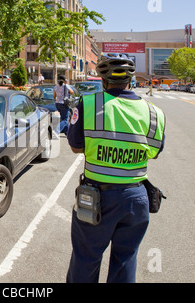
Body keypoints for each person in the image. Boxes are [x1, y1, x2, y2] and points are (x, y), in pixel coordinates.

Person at [66, 53, 166, 283]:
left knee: (85, 258)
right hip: (136, 198)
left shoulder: (89, 103)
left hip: (97, 197)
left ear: (103, 80)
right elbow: (155, 153)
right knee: (125, 260)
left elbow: (74, 147)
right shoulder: (154, 113)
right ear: (130, 81)